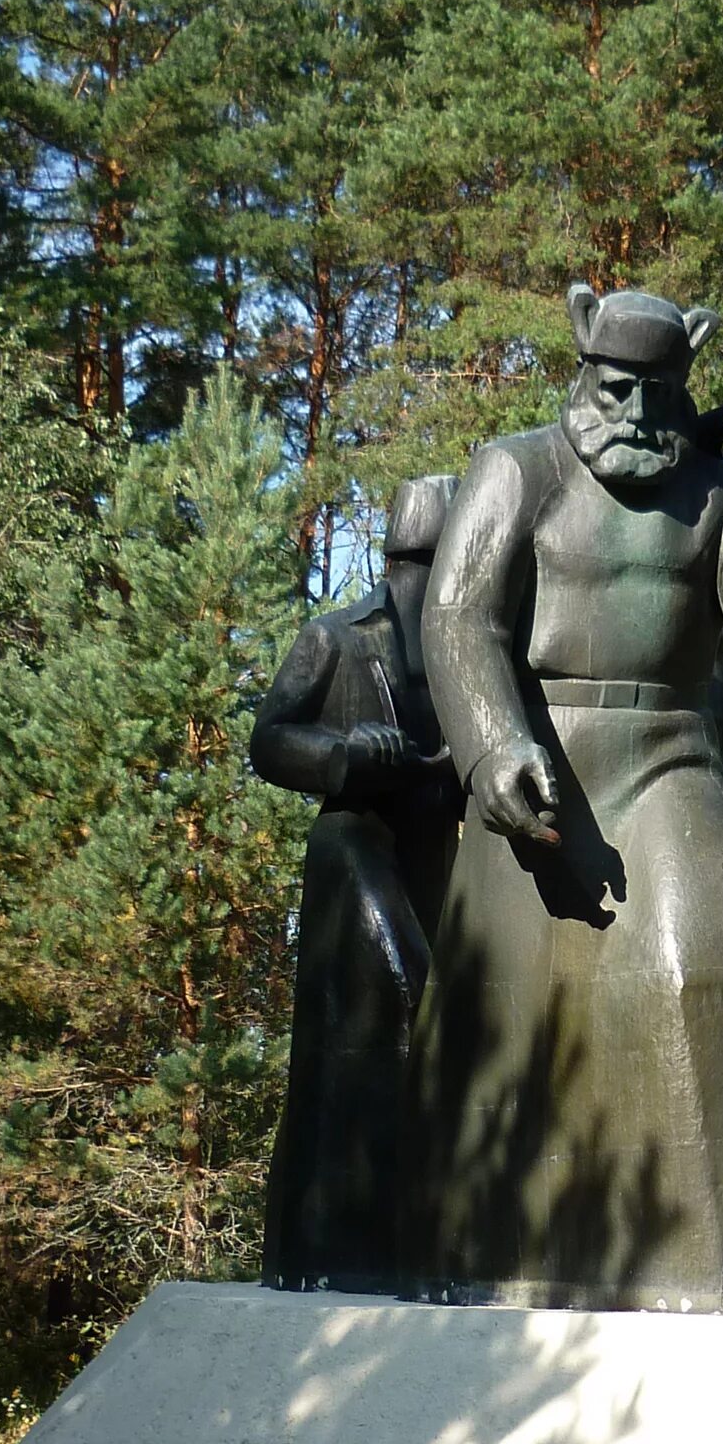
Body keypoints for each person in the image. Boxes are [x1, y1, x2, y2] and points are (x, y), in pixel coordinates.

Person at [411, 285, 723, 1308]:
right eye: (619, 387)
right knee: (503, 1020)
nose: (639, 412)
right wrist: (493, 745)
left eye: (661, 391)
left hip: (671, 755)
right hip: (543, 752)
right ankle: (476, 1261)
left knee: (698, 965)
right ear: (585, 374)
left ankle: (709, 1266)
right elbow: (459, 621)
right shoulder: (519, 469)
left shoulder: (717, 486)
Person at [247, 476, 462, 1289]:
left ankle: (417, 1248)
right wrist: (343, 753)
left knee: (445, 1033)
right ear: (409, 562)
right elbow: (269, 741)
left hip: (437, 856)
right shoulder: (335, 637)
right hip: (354, 851)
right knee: (372, 1033)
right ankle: (331, 1254)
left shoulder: (465, 650)